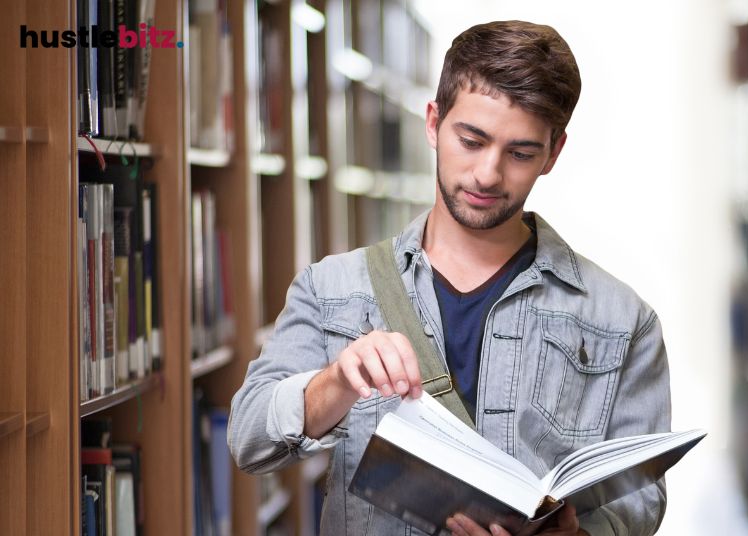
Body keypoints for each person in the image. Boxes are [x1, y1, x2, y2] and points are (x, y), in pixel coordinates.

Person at [228, 20, 671, 536]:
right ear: (434, 122)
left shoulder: (623, 320)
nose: (488, 173)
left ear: (553, 154)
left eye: (521, 153)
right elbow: (248, 439)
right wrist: (336, 383)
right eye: (472, 139)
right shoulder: (333, 289)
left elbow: (642, 500)